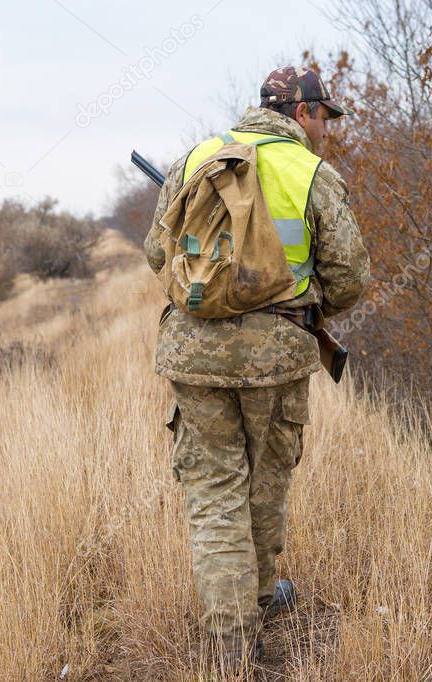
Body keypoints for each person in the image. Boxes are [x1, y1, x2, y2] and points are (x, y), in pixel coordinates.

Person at [144, 66, 370, 668]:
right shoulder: (313, 174)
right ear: (301, 114)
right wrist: (306, 300)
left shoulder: (199, 158)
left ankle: (230, 643)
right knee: (267, 480)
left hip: (194, 353)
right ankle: (264, 597)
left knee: (215, 493)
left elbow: (154, 252)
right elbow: (350, 276)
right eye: (324, 117)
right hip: (278, 355)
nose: (327, 129)